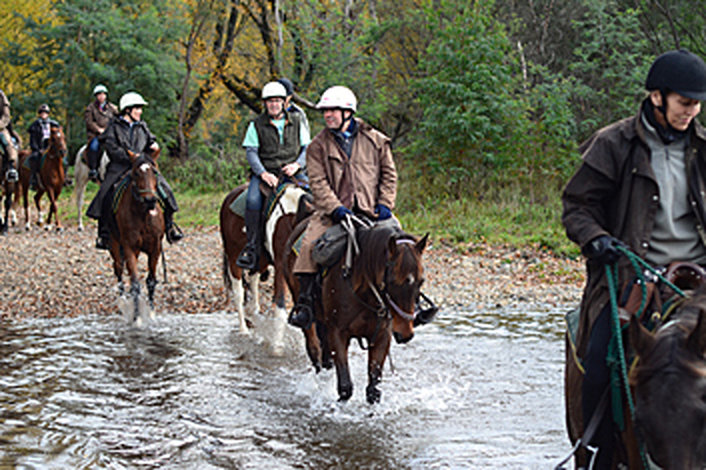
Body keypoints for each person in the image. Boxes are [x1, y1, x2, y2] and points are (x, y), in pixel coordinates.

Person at [562, 49, 706, 469]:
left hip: (699, 274)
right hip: (631, 275)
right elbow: (577, 207)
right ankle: (593, 454)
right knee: (603, 359)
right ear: (658, 97)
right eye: (685, 102)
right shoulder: (614, 143)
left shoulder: (703, 147)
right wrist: (597, 239)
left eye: (697, 104)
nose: (692, 111)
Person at [288, 85, 397, 329]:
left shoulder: (376, 140)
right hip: (332, 214)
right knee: (308, 248)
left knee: (402, 246)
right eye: (325, 111)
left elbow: (389, 175)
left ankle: (411, 302)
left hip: (372, 210)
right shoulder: (317, 146)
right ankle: (305, 305)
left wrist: (385, 204)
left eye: (333, 111)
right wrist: (335, 208)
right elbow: (317, 182)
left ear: (348, 112)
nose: (328, 115)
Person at [86, 91, 183, 249]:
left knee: (166, 190)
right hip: (120, 166)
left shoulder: (142, 126)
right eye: (137, 108)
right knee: (105, 193)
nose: (140, 111)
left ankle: (170, 227)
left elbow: (150, 141)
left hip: (143, 167)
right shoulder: (114, 127)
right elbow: (112, 149)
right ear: (128, 110)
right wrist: (131, 157)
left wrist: (154, 147)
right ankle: (104, 234)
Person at [236, 80, 311, 270]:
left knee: (314, 199)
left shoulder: (297, 121)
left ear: (284, 102)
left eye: (277, 101)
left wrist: (297, 164)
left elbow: (306, 148)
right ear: (265, 103)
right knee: (252, 201)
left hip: (293, 173)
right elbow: (251, 152)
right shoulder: (256, 125)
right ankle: (252, 248)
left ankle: (315, 244)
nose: (273, 104)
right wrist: (263, 173)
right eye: (270, 101)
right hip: (265, 174)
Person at [84, 84, 118, 181]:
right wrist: (98, 129)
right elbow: (89, 122)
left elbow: (119, 117)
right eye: (99, 95)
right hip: (96, 135)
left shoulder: (112, 107)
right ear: (96, 96)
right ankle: (93, 170)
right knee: (94, 147)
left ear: (106, 95)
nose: (101, 96)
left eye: (103, 94)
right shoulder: (90, 108)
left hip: (110, 134)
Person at [27, 104, 60, 189]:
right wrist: (37, 149)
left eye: (45, 113)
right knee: (34, 157)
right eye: (42, 113)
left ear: (48, 114)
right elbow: (33, 140)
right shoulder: (35, 126)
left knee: (63, 158)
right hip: (39, 147)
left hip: (51, 147)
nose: (43, 114)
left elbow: (58, 137)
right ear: (39, 114)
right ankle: (34, 178)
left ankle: (64, 177)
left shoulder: (54, 124)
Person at [0, 88, 18, 183]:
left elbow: (6, 116)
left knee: (7, 141)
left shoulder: (1, 96)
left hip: (1, 128)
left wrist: (0, 124)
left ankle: (11, 168)